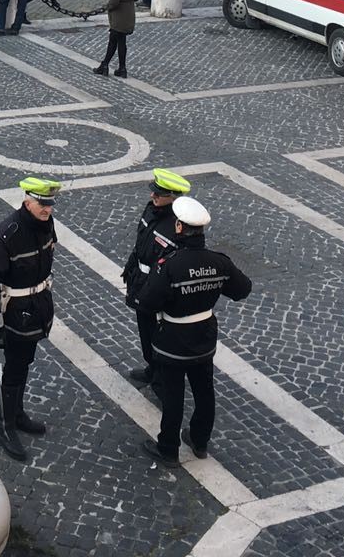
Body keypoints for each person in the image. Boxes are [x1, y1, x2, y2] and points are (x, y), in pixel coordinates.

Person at [138, 196, 251, 466]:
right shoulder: (219, 262)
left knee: (174, 394)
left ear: (178, 227)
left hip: (173, 339)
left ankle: (168, 448)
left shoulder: (170, 264)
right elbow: (242, 289)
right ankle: (200, 442)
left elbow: (148, 301)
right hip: (204, 337)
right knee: (204, 391)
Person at [0, 177, 60, 462]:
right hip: (14, 312)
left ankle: (18, 413)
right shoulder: (7, 234)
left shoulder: (46, 224)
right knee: (13, 368)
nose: (47, 209)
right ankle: (5, 426)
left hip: (36, 307)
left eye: (49, 204)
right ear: (27, 201)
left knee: (24, 362)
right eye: (41, 204)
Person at [120, 168, 191, 389]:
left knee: (160, 334)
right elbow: (141, 243)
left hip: (158, 286)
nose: (153, 196)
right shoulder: (151, 211)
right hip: (140, 282)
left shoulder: (178, 225)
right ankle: (152, 367)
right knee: (145, 329)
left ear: (172, 197)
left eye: (158, 194)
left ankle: (162, 378)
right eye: (154, 192)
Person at [94, 0, 142, 77]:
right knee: (121, 42)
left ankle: (104, 66)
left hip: (119, 15)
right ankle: (122, 68)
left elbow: (115, 1)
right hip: (129, 13)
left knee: (113, 42)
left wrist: (108, 6)